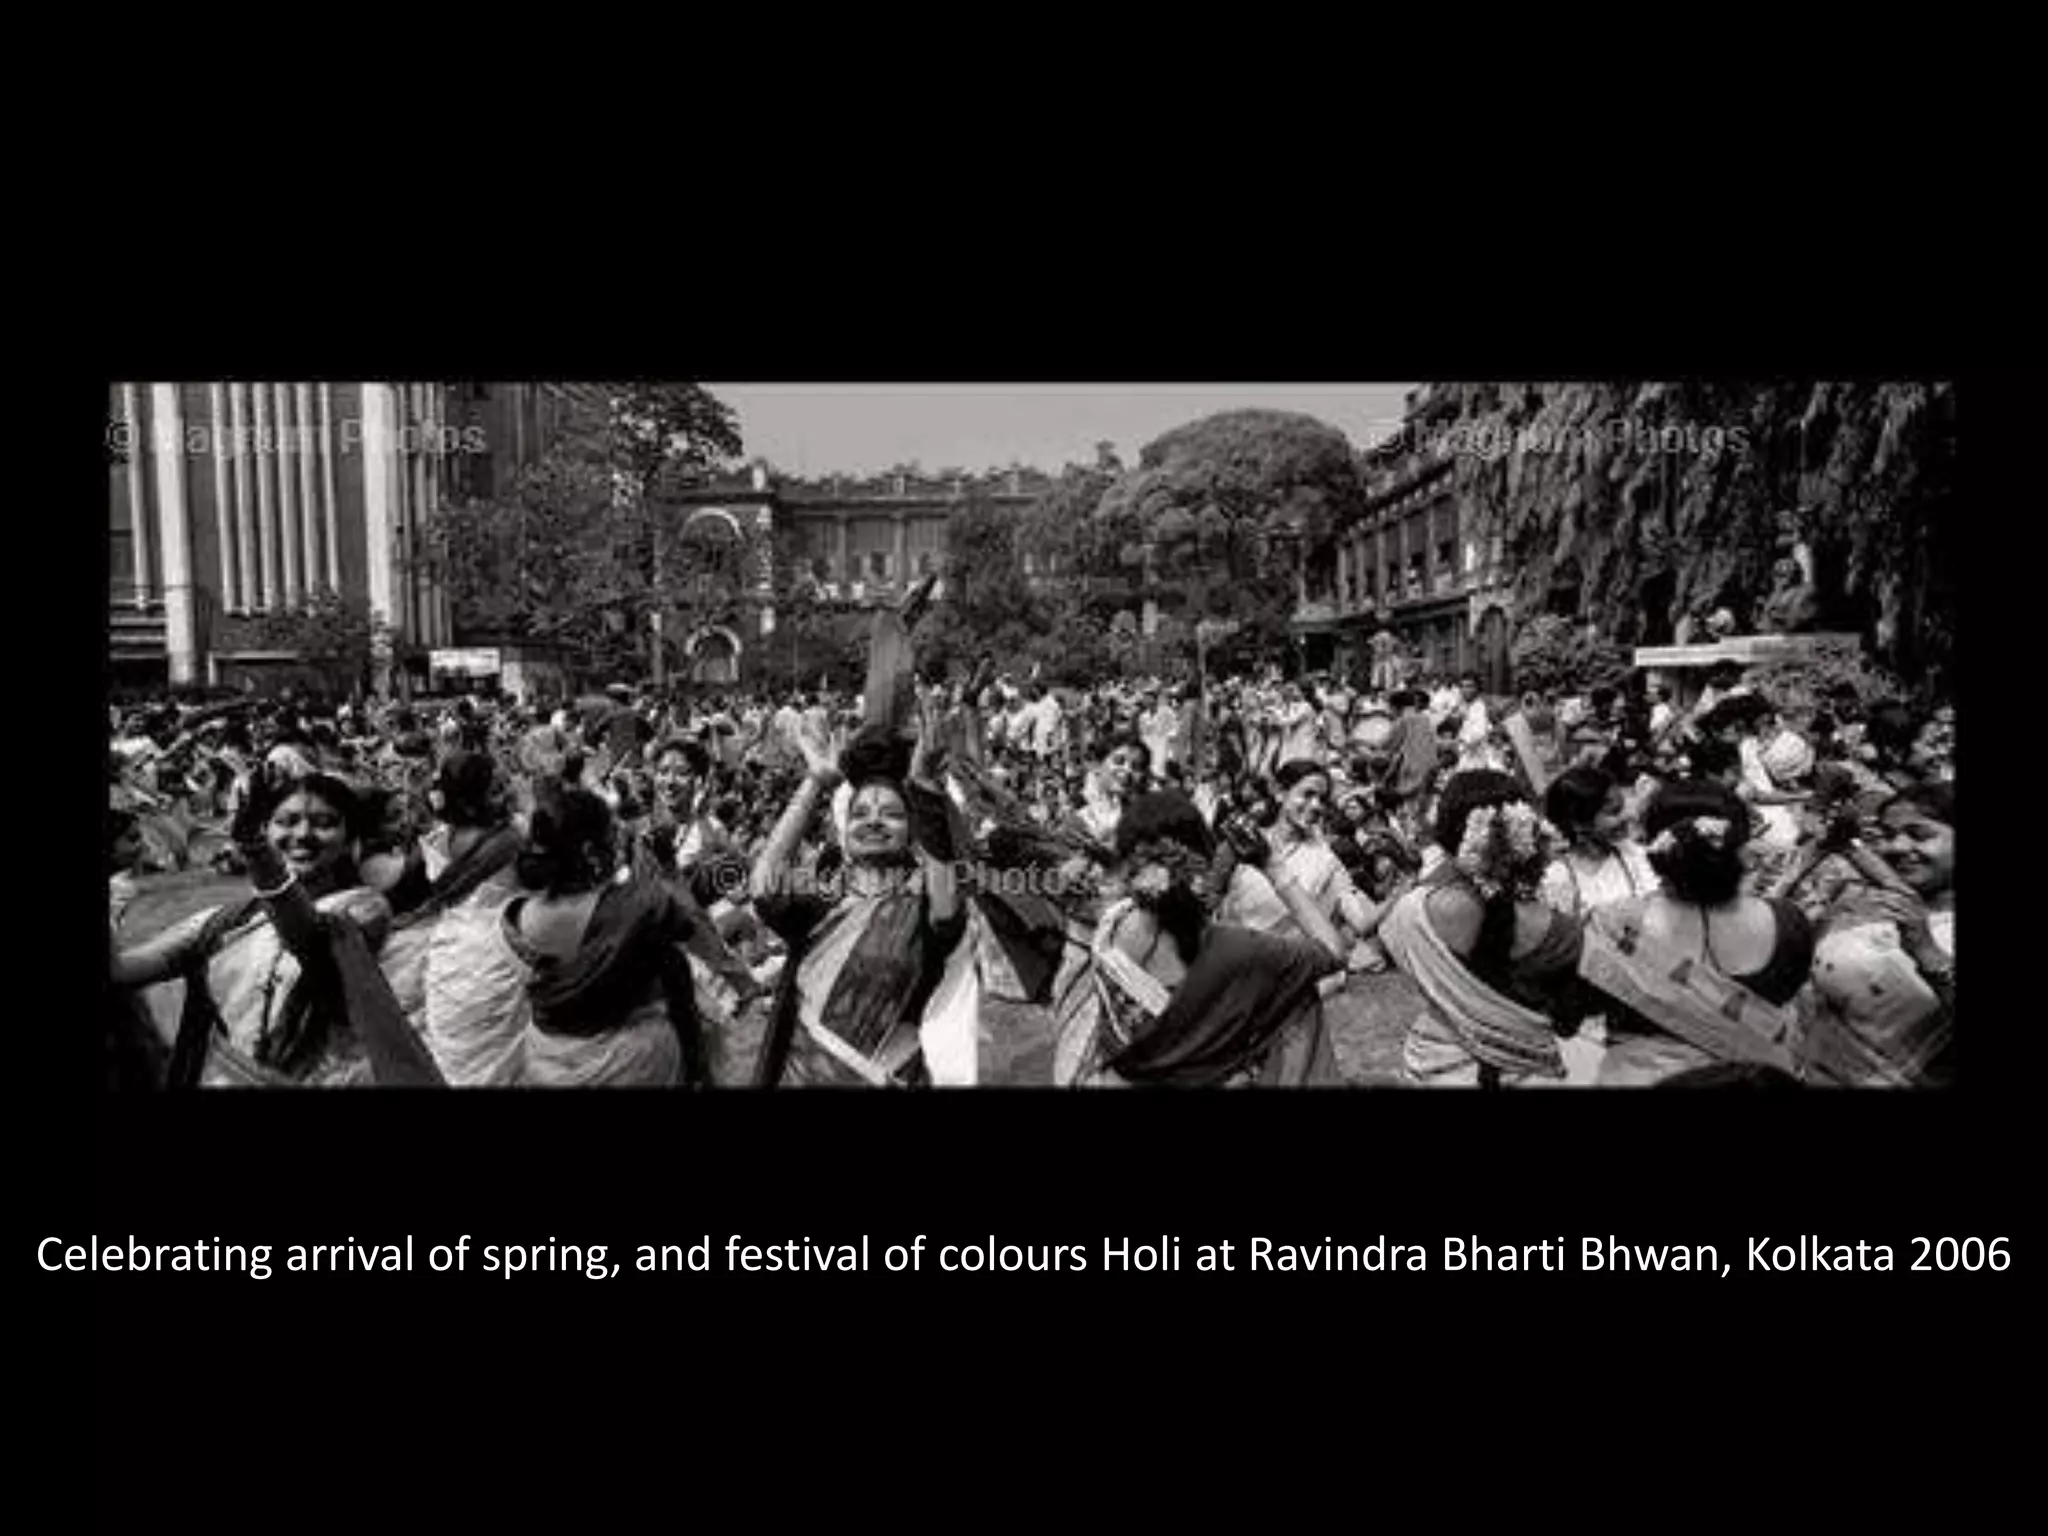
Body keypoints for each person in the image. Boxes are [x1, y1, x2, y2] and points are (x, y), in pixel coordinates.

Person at [110, 770, 438, 1087]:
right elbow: (122, 970)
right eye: (287, 821)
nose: (303, 834)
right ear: (267, 829)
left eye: (324, 823)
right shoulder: (227, 921)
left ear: (351, 838)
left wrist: (257, 852)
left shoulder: (363, 910)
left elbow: (309, 940)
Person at [1052, 791, 1347, 1086]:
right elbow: (1333, 952)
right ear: (1204, 859)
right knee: (1294, 996)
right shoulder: (1238, 950)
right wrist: (1274, 868)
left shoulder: (1108, 931)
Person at [749, 707, 968, 1087]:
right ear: (845, 829)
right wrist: (816, 783)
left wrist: (925, 791)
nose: (872, 821)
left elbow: (947, 914)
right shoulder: (825, 907)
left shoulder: (923, 907)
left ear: (911, 831)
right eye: (860, 813)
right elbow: (764, 890)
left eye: (891, 814)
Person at [1579, 781, 1814, 1086]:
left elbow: (1582, 1007)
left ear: (1655, 847)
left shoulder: (1614, 925)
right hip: (1754, 1078)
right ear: (1740, 846)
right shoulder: (1789, 922)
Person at [1379, 771, 1588, 1087]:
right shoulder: (1559, 930)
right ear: (1527, 833)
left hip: (1434, 1063)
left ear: (1446, 833)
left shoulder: (1410, 912)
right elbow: (1569, 1021)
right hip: (1526, 1072)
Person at [501, 783, 707, 1087]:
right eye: (612, 832)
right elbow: (687, 942)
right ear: (589, 851)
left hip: (546, 1060)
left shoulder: (513, 915)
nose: (620, 839)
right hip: (627, 1064)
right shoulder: (638, 910)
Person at [379, 751, 530, 1087]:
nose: (508, 793)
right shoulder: (512, 837)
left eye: (506, 784)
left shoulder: (440, 837)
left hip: (451, 954)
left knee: (458, 1059)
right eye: (497, 788)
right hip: (498, 956)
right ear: (475, 798)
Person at [1800, 782, 1954, 1086]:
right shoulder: (1870, 898)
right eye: (1889, 834)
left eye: (1919, 834)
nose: (1896, 847)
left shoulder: (1914, 918)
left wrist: (1928, 954)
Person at [1219, 759, 1394, 970]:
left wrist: (1399, 892)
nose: (1316, 806)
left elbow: (1360, 921)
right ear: (1280, 793)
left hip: (1283, 969)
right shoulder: (1245, 843)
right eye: (1307, 794)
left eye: (1321, 799)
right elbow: (1221, 908)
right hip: (1234, 962)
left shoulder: (1326, 859)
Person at [1538, 766, 1658, 919]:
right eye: (1614, 812)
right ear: (1579, 824)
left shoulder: (1632, 854)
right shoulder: (1560, 878)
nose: (1628, 815)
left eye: (1623, 807)